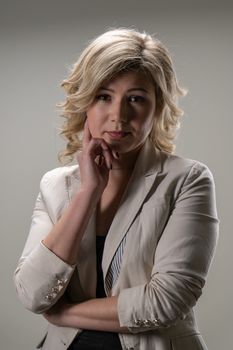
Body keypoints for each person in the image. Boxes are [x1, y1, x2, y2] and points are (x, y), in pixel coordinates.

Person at [14, 28, 219, 350]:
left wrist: (63, 313)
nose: (118, 116)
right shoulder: (56, 186)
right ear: (84, 102)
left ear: (158, 107)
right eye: (103, 96)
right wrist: (87, 194)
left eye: (136, 99)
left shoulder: (187, 180)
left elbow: (166, 301)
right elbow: (32, 293)